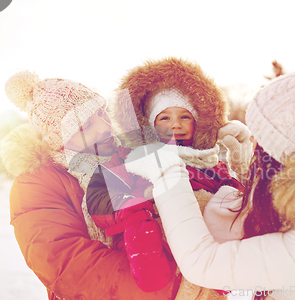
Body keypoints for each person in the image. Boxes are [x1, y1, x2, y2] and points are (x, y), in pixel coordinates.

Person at [123, 43, 295, 299]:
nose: (257, 149)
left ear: (283, 156)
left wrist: (168, 172)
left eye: (262, 147)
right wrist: (241, 165)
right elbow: (253, 216)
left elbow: (204, 262)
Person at [0, 71, 180, 300]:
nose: (104, 126)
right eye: (85, 125)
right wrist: (174, 288)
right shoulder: (35, 184)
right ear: (59, 138)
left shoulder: (129, 155)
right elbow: (70, 267)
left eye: (101, 111)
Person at [103, 57, 251, 300]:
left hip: (211, 271)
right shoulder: (138, 160)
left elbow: (238, 198)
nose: (176, 125)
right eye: (164, 118)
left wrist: (242, 167)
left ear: (198, 123)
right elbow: (116, 203)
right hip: (165, 267)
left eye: (185, 117)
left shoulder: (210, 161)